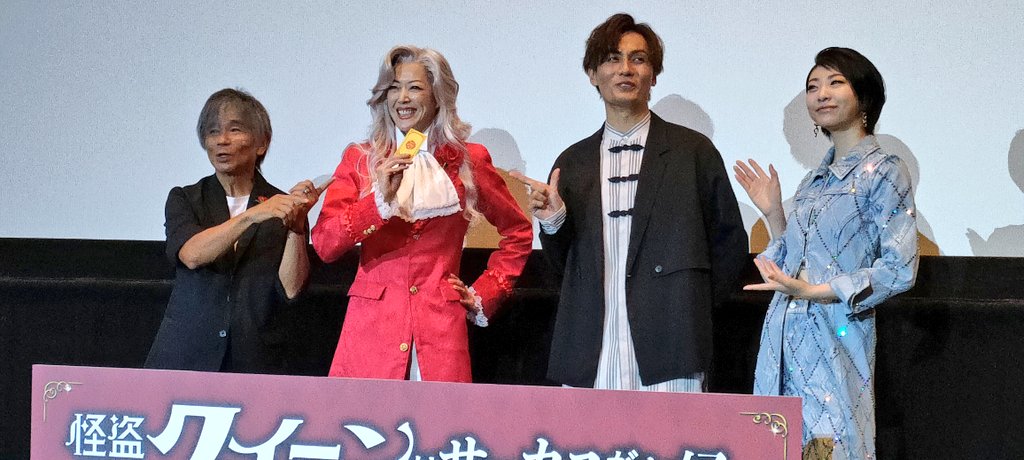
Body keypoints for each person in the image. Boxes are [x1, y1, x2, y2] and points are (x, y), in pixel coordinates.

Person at [512, 14, 748, 391]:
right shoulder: (572, 162)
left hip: (673, 345)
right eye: (612, 58)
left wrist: (689, 307)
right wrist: (553, 222)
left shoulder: (693, 152)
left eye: (638, 59)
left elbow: (730, 244)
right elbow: (561, 270)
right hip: (590, 348)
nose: (625, 69)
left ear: (653, 75)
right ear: (592, 74)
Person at [734, 47, 918, 459]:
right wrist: (774, 213)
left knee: (828, 447)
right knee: (777, 447)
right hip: (783, 337)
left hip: (836, 337)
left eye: (836, 82)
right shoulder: (812, 181)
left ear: (864, 96)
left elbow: (899, 269)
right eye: (813, 86)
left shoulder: (885, 170)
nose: (821, 94)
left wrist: (814, 291)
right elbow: (790, 261)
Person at [311, 45, 532, 383]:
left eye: (414, 87)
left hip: (440, 333)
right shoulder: (361, 159)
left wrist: (483, 293)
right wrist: (378, 202)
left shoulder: (467, 160)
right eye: (393, 87)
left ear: (437, 95)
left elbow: (518, 232)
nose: (402, 98)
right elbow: (326, 245)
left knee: (440, 418)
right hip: (371, 335)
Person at [146, 88, 322, 374]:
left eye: (234, 130)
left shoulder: (281, 206)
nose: (222, 141)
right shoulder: (186, 198)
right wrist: (251, 216)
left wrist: (297, 229)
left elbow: (291, 289)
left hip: (255, 361)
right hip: (187, 359)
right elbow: (192, 255)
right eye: (213, 132)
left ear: (261, 143)